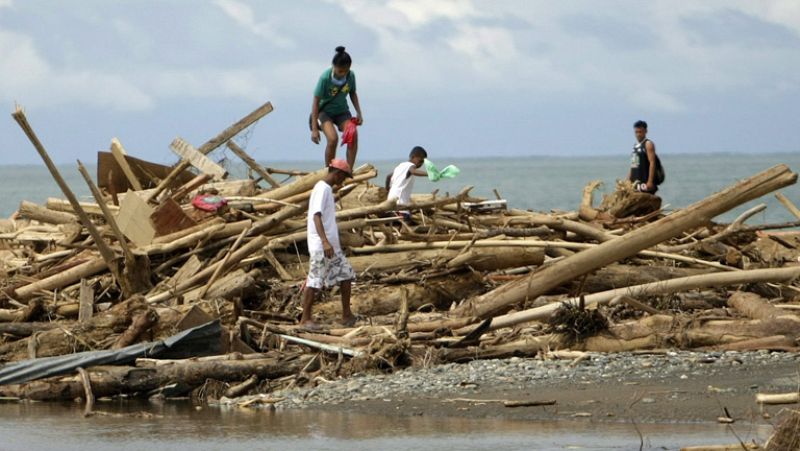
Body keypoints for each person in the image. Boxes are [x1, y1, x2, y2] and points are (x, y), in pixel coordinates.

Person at [300, 159, 357, 329]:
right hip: (322, 245)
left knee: (346, 275)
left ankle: (347, 315)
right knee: (315, 280)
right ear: (338, 174)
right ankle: (305, 319)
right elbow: (316, 216)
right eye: (343, 177)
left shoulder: (327, 190)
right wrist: (324, 241)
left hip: (332, 247)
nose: (343, 181)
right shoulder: (322, 188)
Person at [310, 46, 364, 171]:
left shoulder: (351, 76)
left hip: (341, 111)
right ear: (333, 66)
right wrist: (314, 129)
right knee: (333, 139)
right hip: (325, 112)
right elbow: (315, 102)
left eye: (345, 71)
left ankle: (348, 170)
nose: (342, 74)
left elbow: (353, 93)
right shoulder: (325, 78)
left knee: (353, 134)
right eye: (340, 71)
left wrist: (359, 113)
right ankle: (330, 170)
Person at [628, 120, 660, 194]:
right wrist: (628, 179)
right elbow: (634, 164)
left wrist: (650, 181)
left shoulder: (648, 144)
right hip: (635, 182)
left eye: (640, 132)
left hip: (645, 182)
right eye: (636, 132)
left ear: (646, 131)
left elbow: (652, 163)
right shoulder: (635, 146)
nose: (638, 134)